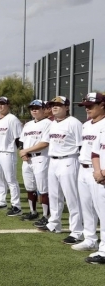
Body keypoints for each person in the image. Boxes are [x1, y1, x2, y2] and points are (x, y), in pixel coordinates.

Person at [37, 96, 83, 245]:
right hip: (53, 161)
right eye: (52, 105)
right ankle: (54, 223)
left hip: (69, 160)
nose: (55, 107)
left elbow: (81, 146)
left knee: (72, 198)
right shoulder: (52, 124)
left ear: (67, 107)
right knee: (55, 196)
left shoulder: (74, 123)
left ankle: (77, 231)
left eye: (58, 105)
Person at [73, 93, 105, 251]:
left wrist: (100, 171)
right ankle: (90, 239)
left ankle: (103, 246)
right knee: (85, 206)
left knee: (102, 209)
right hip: (83, 167)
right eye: (85, 106)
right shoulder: (86, 125)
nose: (87, 109)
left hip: (98, 171)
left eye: (91, 106)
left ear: (102, 106)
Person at [17, 100, 52, 222]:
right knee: (29, 187)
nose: (34, 110)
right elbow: (21, 141)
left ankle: (46, 216)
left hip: (41, 157)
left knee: (43, 188)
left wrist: (25, 150)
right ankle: (33, 212)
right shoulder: (28, 124)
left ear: (44, 109)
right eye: (32, 108)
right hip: (27, 159)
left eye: (37, 107)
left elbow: (45, 143)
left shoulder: (48, 123)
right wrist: (23, 153)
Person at [0, 96, 23, 216]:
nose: (0, 106)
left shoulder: (12, 119)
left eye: (3, 104)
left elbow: (18, 138)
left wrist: (20, 151)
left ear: (8, 105)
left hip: (7, 152)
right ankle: (1, 201)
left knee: (11, 180)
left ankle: (16, 206)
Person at [87, 109, 105, 264]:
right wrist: (98, 171)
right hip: (100, 177)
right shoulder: (102, 129)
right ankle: (103, 250)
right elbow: (95, 153)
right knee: (103, 215)